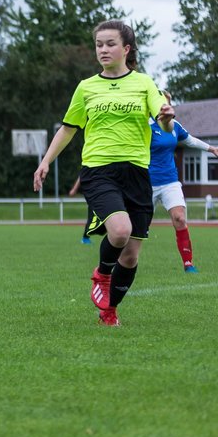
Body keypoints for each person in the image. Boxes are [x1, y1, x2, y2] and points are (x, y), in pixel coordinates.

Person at [33, 20, 174, 327]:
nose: (103, 50)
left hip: (137, 173)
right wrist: (45, 161)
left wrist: (166, 118)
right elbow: (69, 129)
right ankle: (101, 273)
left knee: (131, 256)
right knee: (120, 231)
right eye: (99, 44)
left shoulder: (144, 83)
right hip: (99, 170)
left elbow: (164, 124)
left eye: (110, 44)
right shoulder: (86, 87)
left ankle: (109, 310)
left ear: (126, 49)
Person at [149, 92, 218, 273]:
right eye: (160, 102)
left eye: (167, 102)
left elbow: (189, 140)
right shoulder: (144, 126)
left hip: (170, 181)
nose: (164, 106)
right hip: (146, 184)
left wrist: (211, 148)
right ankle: (121, 262)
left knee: (180, 218)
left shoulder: (175, 127)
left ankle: (188, 263)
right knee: (139, 227)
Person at [69, 177, 92, 244]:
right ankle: (85, 238)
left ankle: (85, 238)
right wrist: (74, 189)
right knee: (92, 216)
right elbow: (81, 175)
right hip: (96, 193)